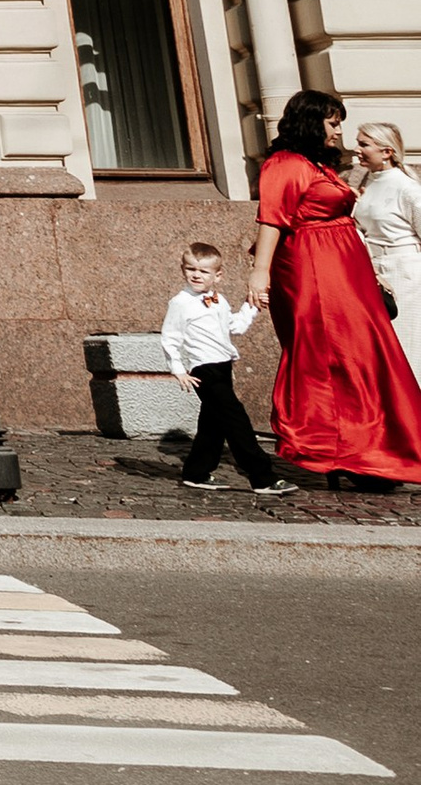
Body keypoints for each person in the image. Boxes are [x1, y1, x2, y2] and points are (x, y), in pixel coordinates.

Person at [245, 90, 421, 490]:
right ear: (311, 122)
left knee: (363, 354)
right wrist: (260, 272)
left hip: (344, 271)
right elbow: (272, 219)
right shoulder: (285, 164)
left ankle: (370, 451)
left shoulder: (316, 165)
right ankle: (344, 452)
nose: (339, 130)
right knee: (336, 356)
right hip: (315, 272)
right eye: (333, 121)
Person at [160, 240, 275, 491]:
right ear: (183, 270)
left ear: (218, 276)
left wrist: (251, 305)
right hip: (204, 369)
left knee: (213, 424)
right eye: (191, 269)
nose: (196, 275)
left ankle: (196, 472)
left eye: (203, 271)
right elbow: (170, 337)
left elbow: (235, 327)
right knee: (236, 420)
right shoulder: (180, 302)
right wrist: (178, 369)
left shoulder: (218, 300)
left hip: (223, 366)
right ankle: (262, 477)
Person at [353, 123, 421, 330]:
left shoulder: (407, 188)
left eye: (364, 144)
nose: (357, 150)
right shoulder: (366, 183)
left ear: (387, 152)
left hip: (406, 273)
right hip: (374, 272)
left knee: (408, 343)